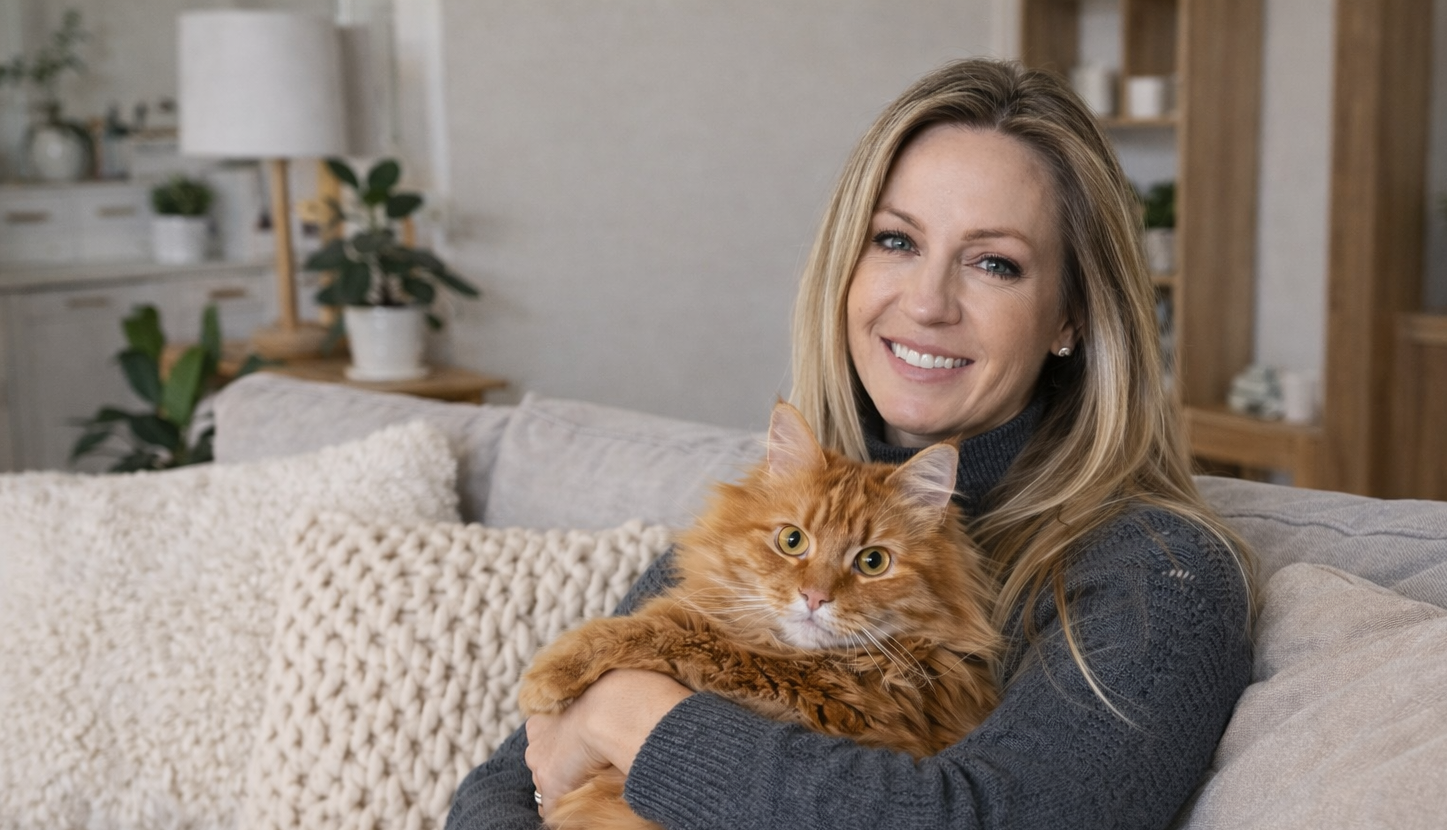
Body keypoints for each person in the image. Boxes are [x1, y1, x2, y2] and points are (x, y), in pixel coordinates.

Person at [446, 57, 1254, 830]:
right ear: (845, 265)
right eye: (896, 241)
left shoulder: (1158, 572)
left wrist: (632, 714)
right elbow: (507, 783)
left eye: (995, 264)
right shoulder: (774, 510)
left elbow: (989, 819)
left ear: (1073, 317)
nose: (928, 303)